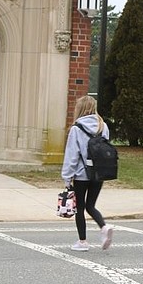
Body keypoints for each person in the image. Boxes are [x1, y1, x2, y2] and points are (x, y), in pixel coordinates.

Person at [61, 95, 113, 252]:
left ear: (80, 109)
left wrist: (67, 177)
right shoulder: (103, 127)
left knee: (80, 207)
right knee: (91, 205)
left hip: (81, 174)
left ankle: (82, 242)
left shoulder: (76, 129)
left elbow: (72, 155)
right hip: (99, 173)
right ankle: (104, 226)